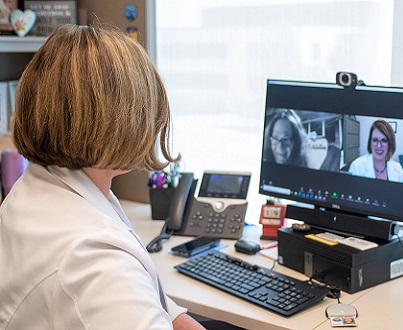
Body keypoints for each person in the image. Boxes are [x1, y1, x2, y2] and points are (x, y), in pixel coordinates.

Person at [0, 24, 240, 330]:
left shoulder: (41, 186)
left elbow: (154, 302)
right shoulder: (95, 259)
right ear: (119, 125)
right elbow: (121, 290)